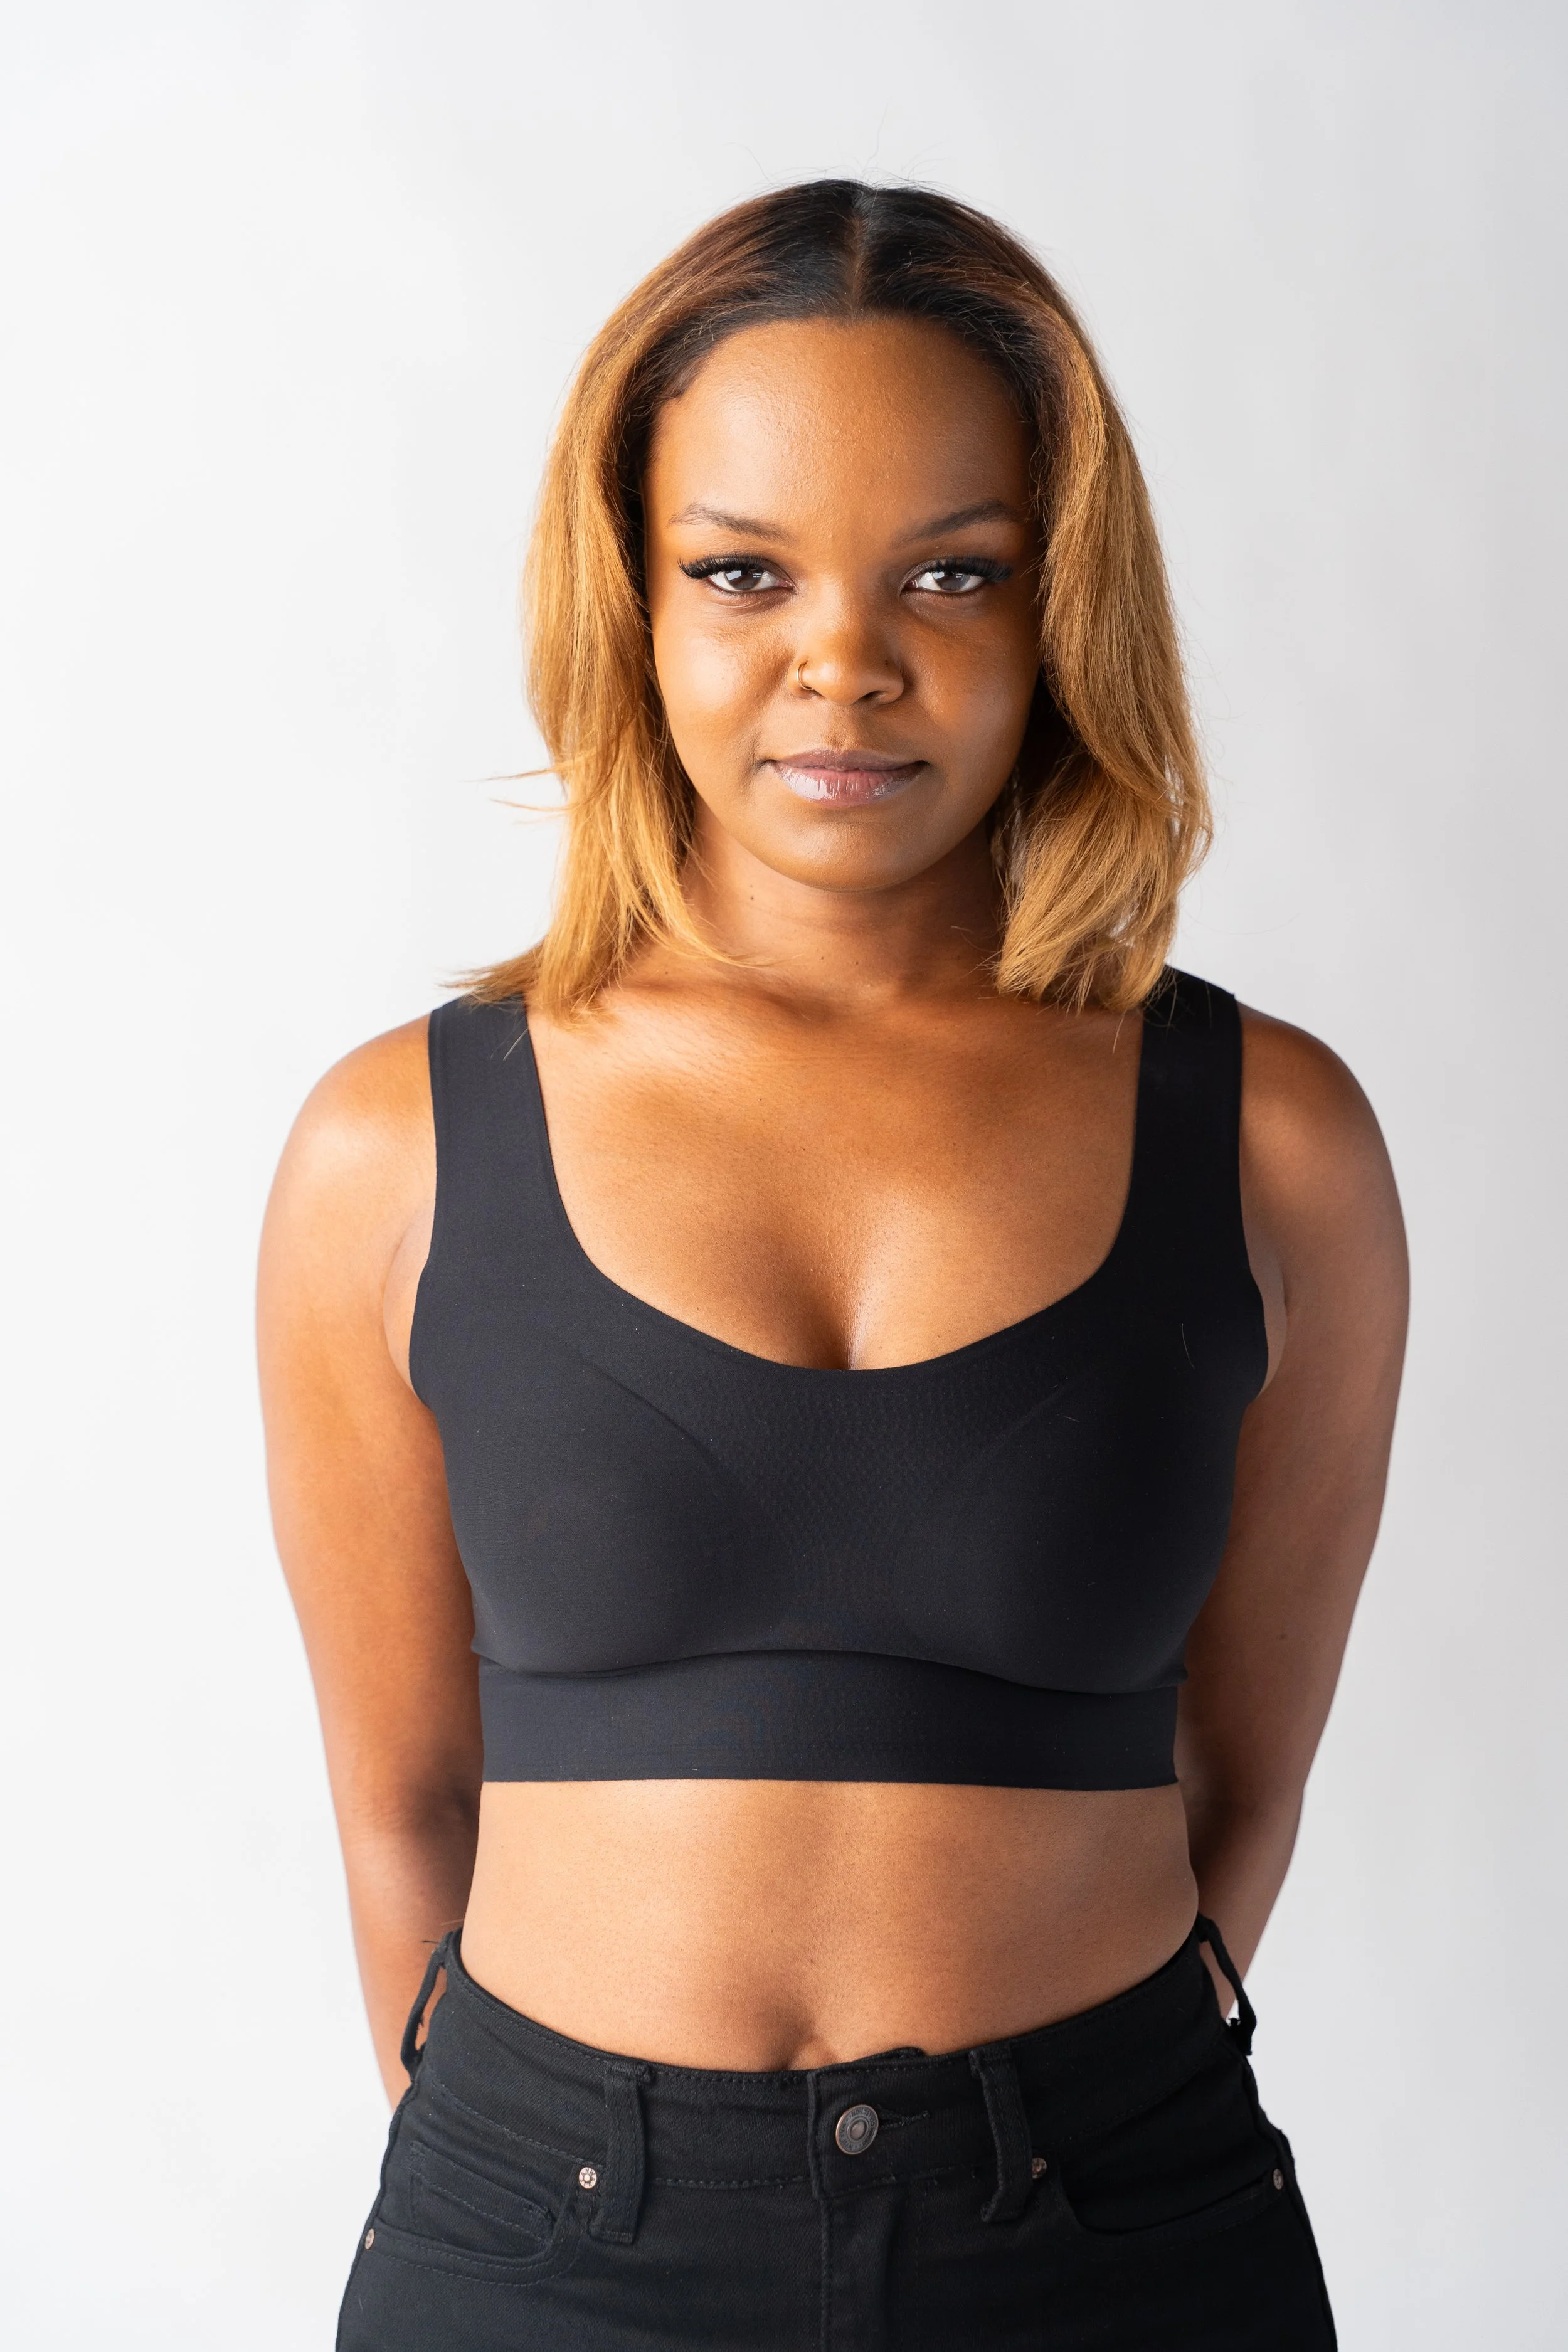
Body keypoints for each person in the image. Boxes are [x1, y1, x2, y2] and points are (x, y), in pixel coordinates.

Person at [259, 180, 1406, 2350]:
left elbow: (1238, 1767)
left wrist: (1066, 2114)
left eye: (948, 575)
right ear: (633, 596)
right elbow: (400, 1796)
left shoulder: (1271, 1141)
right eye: (744, 572)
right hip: (548, 2242)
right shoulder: (393, 1149)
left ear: (1061, 605)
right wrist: (544, 2157)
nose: (843, 661)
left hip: (1115, 2231)